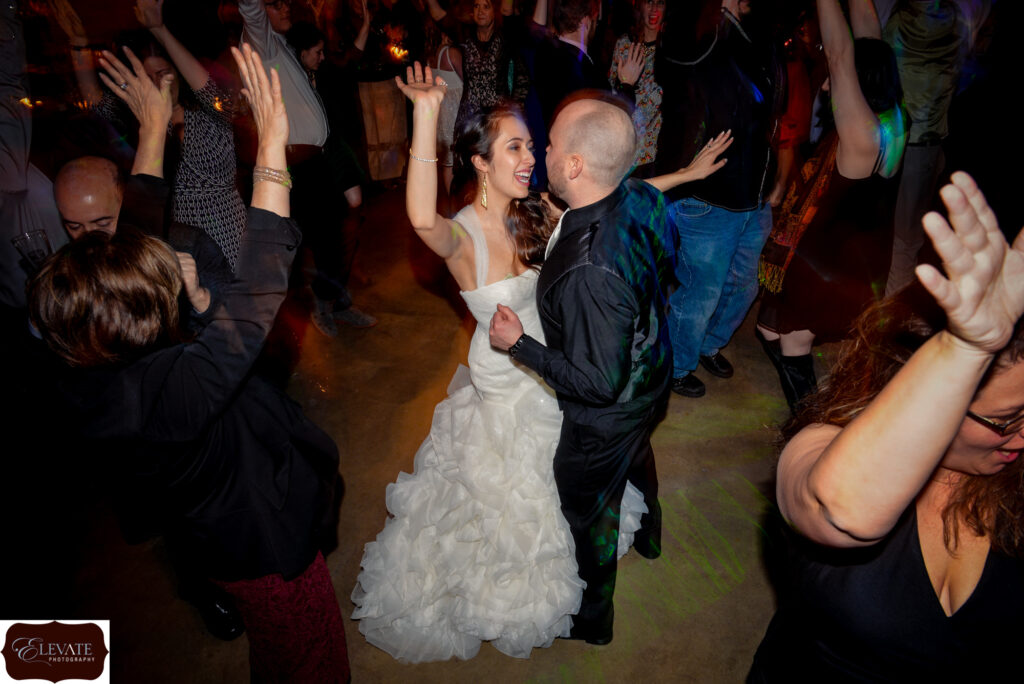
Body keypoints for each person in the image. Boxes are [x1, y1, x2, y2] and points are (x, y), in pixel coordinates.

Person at [28, 44, 349, 682]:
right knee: (307, 655)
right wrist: (271, 150)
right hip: (260, 547)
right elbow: (259, 282)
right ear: (137, 315)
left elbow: (139, 224)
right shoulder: (171, 389)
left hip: (216, 539)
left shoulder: (93, 362)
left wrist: (151, 130)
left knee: (276, 650)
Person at [351, 65, 647, 662]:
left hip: (553, 371)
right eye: (515, 147)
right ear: (481, 163)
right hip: (505, 390)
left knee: (570, 489)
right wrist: (427, 115)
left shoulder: (533, 209)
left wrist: (676, 177)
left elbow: (599, 198)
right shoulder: (462, 237)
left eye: (531, 146)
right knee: (504, 506)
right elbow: (421, 219)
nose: (530, 158)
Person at [748, 171, 1024, 680]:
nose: (1022, 437)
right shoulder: (822, 444)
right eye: (1005, 420)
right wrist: (966, 349)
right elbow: (842, 511)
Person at [489, 95, 675, 645]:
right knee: (639, 454)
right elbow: (667, 264)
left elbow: (597, 383)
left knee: (587, 507)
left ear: (574, 165)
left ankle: (594, 619)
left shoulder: (590, 269)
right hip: (653, 375)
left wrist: (520, 345)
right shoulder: (641, 194)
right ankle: (652, 533)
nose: (541, 153)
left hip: (607, 414)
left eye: (549, 145)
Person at [756, 0, 907, 412]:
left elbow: (841, 56)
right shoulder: (894, 119)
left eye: (837, 81)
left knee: (793, 341)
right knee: (768, 328)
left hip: (827, 264)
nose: (827, 86)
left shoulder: (861, 135)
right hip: (862, 257)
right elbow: (868, 40)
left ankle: (811, 422)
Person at [656, 0, 780, 398]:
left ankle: (707, 344)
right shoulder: (696, 32)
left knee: (743, 285)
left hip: (753, 196)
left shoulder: (758, 36)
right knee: (700, 292)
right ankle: (675, 366)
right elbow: (672, 57)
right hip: (708, 196)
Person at [240, 0, 376, 335]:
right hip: (293, 165)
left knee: (333, 238)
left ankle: (334, 301)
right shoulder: (264, 44)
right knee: (304, 245)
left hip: (315, 161)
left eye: (285, 2)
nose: (285, 8)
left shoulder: (283, 46)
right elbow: (252, 12)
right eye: (274, 4)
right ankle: (312, 310)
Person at [608, 0, 668, 176]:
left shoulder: (670, 50)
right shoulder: (625, 44)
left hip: (654, 153)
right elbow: (611, 93)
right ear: (640, 5)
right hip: (624, 145)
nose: (654, 8)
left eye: (660, 2)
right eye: (649, 1)